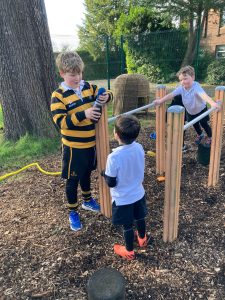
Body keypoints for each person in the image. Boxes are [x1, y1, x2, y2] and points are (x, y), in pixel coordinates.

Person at [51, 51, 113, 231]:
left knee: (87, 173)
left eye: (79, 73)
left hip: (90, 144)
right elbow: (61, 122)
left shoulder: (88, 87)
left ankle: (87, 200)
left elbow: (109, 93)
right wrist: (83, 114)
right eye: (72, 74)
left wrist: (105, 96)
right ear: (62, 73)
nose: (77, 78)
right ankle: (73, 212)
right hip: (73, 148)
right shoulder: (58, 95)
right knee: (72, 180)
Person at [102, 115, 148, 260]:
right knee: (140, 217)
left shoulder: (114, 157)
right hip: (139, 193)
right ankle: (142, 238)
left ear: (116, 134)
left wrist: (103, 174)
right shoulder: (139, 147)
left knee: (127, 225)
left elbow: (111, 182)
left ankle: (129, 251)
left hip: (123, 199)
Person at [153, 65, 220, 145]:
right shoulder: (181, 88)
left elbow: (203, 95)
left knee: (204, 123)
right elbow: (171, 95)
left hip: (201, 109)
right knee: (193, 123)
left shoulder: (196, 87)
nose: (183, 82)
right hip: (190, 111)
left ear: (193, 77)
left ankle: (210, 136)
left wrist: (212, 103)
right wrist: (160, 101)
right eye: (181, 80)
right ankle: (200, 134)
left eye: (185, 79)